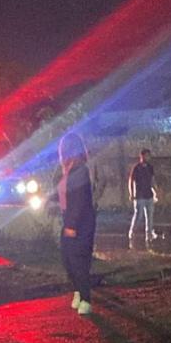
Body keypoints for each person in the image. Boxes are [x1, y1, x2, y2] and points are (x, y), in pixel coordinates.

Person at [58, 132, 96, 315]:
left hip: (81, 221)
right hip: (69, 217)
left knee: (78, 260)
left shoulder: (80, 169)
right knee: (68, 258)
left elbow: (79, 199)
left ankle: (86, 298)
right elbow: (63, 193)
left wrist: (72, 224)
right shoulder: (67, 169)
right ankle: (78, 291)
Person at [128, 148, 158, 241]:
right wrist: (131, 193)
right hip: (139, 196)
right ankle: (132, 232)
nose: (148, 157)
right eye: (146, 155)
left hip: (149, 195)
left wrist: (156, 191)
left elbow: (152, 180)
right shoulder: (136, 168)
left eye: (149, 155)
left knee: (150, 217)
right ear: (141, 156)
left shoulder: (150, 167)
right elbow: (131, 181)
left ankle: (149, 235)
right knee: (138, 215)